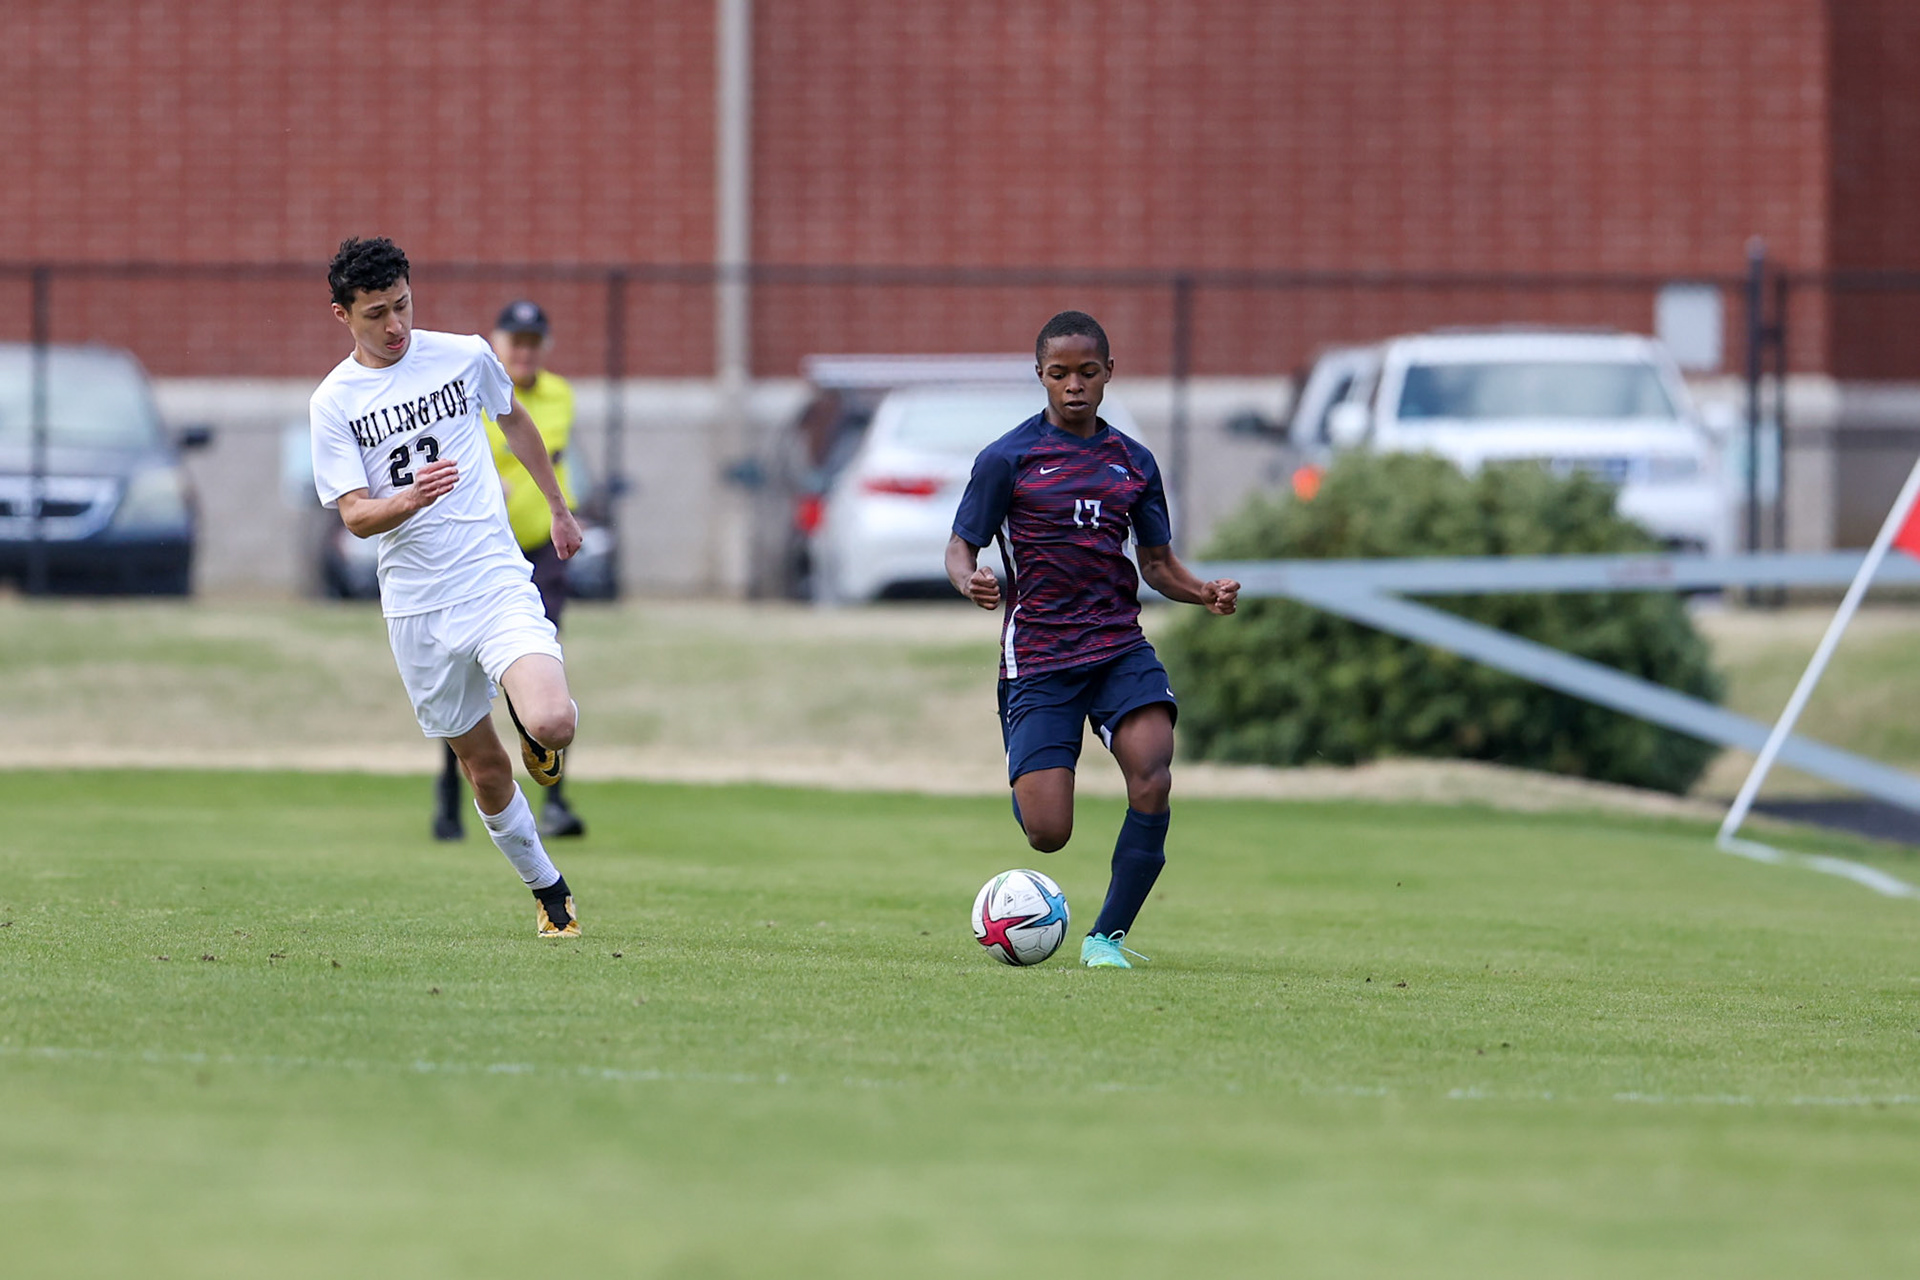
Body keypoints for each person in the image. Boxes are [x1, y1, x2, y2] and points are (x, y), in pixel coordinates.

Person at [946, 310, 1240, 969]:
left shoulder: (1132, 463)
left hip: (1117, 649)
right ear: (1041, 377)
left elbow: (1158, 565)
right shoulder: (1006, 460)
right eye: (1059, 374)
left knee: (1154, 773)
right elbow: (960, 544)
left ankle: (1106, 938)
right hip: (1040, 659)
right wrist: (971, 581)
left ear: (1108, 373)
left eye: (1086, 372)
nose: (1073, 385)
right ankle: (1028, 766)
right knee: (1048, 834)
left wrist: (1204, 593)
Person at [309, 237, 584, 938]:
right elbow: (354, 516)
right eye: (376, 314)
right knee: (485, 771)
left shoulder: (463, 354)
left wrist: (555, 506)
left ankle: (542, 743)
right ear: (342, 315)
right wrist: (407, 500)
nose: (395, 325)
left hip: (492, 578)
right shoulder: (334, 402)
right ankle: (549, 890)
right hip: (417, 609)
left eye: (402, 305)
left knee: (554, 720)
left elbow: (514, 418)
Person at [432, 298, 587, 842]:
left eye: (532, 342)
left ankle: (555, 800)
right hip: (477, 554)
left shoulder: (559, 396)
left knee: (545, 670)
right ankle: (449, 800)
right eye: (514, 342)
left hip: (539, 551)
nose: (523, 352)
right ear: (497, 344)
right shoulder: (467, 391)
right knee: (462, 678)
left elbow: (542, 452)